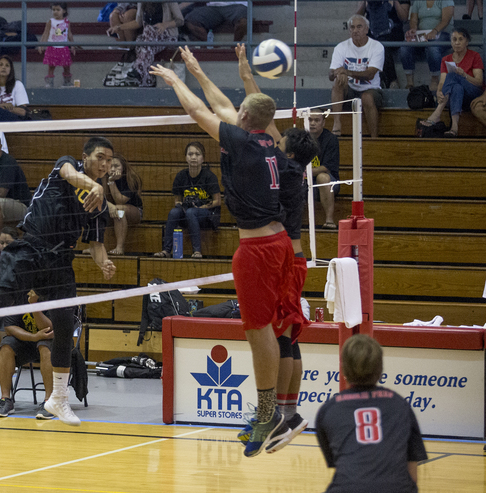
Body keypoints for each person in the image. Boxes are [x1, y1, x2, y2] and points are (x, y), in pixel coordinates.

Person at [150, 51, 318, 458]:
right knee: (274, 330)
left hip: (259, 247)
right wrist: (197, 71)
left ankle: (268, 413)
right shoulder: (270, 145)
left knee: (257, 329)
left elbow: (199, 110)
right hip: (279, 243)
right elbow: (224, 105)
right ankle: (278, 410)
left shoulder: (242, 141)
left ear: (244, 117)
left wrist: (175, 81)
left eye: (237, 111)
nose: (233, 112)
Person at [0, 137, 117, 427]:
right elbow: (72, 175)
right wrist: (93, 184)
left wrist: (103, 261)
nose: (105, 164)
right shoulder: (66, 166)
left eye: (109, 160)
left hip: (60, 260)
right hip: (30, 249)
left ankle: (58, 397)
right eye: (100, 157)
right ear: (85, 156)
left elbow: (95, 244)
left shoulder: (99, 204)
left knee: (65, 326)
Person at [198, 44, 316, 449]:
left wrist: (206, 73)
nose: (275, 138)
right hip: (287, 251)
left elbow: (254, 122)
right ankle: (285, 411)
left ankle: (282, 414)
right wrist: (246, 69)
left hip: (281, 252)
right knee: (285, 334)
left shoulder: (280, 162)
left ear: (288, 148)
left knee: (279, 335)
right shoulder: (285, 160)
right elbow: (255, 116)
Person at [315, 334, 428, 492]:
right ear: (380, 369)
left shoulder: (328, 410)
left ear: (343, 369)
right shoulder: (400, 405)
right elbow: (413, 474)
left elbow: (340, 464)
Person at [0, 289, 55, 419]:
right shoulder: (19, 294)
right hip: (28, 340)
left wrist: (34, 306)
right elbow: (9, 327)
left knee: (45, 345)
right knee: (6, 346)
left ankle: (49, 402)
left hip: (52, 341)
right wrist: (33, 337)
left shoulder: (53, 293)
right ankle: (6, 400)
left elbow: (49, 330)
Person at [154, 142, 221, 259]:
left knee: (191, 212)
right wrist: (180, 206)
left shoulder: (209, 176)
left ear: (203, 158)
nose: (193, 157)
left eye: (197, 154)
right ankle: (166, 250)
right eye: (190, 154)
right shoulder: (181, 176)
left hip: (207, 215)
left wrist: (200, 208)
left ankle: (197, 251)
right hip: (189, 213)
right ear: (186, 157)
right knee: (174, 212)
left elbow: (217, 201)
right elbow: (178, 201)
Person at [419, 27, 483, 137]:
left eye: (460, 39)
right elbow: (442, 81)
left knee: (453, 75)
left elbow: (479, 82)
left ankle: (437, 112)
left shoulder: (475, 56)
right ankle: (454, 127)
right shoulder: (446, 59)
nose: (457, 43)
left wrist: (464, 75)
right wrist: (439, 91)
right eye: (454, 39)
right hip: (456, 95)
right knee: (457, 88)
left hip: (473, 93)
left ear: (467, 42)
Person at [330, 14, 385, 138]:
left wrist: (346, 72)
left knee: (366, 97)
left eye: (359, 27)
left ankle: (374, 138)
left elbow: (370, 74)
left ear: (366, 29)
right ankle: (337, 124)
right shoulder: (341, 47)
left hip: (371, 89)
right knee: (337, 82)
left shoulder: (377, 46)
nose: (355, 30)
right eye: (352, 27)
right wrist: (338, 73)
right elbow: (330, 74)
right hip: (349, 89)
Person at [109, 2, 184, 87]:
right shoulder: (142, 3)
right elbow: (138, 23)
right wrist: (119, 27)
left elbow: (180, 20)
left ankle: (140, 73)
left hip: (167, 37)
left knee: (145, 38)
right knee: (144, 44)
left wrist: (165, 25)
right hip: (149, 40)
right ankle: (146, 79)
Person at [400, 0, 455, 91]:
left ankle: (434, 79)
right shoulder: (418, 2)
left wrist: (435, 31)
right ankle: (410, 81)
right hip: (422, 35)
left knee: (432, 48)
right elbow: (413, 19)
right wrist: (413, 29)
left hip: (442, 33)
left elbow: (446, 20)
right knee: (405, 47)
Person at [356, 1, 410, 89]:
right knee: (370, 43)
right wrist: (364, 3)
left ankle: (391, 80)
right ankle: (387, 80)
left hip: (393, 32)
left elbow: (404, 17)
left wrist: (395, 2)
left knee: (381, 45)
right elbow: (357, 18)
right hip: (373, 32)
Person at [104, 153, 143, 255]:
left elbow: (120, 201)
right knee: (94, 211)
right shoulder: (102, 177)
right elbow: (99, 198)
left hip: (133, 211)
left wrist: (111, 182)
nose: (113, 169)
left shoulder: (131, 179)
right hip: (109, 209)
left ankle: (119, 247)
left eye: (116, 166)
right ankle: (95, 246)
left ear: (123, 167)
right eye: (110, 166)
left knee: (119, 210)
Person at [308, 108, 340, 228]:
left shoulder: (331, 139)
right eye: (310, 120)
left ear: (323, 122)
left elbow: (327, 168)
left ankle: (329, 220)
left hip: (329, 182)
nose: (312, 123)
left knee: (322, 177)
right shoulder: (299, 138)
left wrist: (305, 172)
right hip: (304, 181)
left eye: (316, 120)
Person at [38, 2, 76, 88]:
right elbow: (45, 33)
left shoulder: (66, 22)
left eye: (58, 10)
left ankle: (66, 82)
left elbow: (69, 34)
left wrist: (73, 45)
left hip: (63, 47)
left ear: (64, 11)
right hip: (52, 47)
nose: (55, 12)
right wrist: (41, 44)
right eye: (53, 10)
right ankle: (49, 83)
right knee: (51, 66)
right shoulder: (50, 21)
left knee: (66, 65)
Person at [0, 55, 30, 122]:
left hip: (12, 119)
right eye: (1, 65)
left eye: (7, 65)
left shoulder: (17, 85)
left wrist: (6, 108)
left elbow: (23, 112)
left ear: (10, 69)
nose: (3, 67)